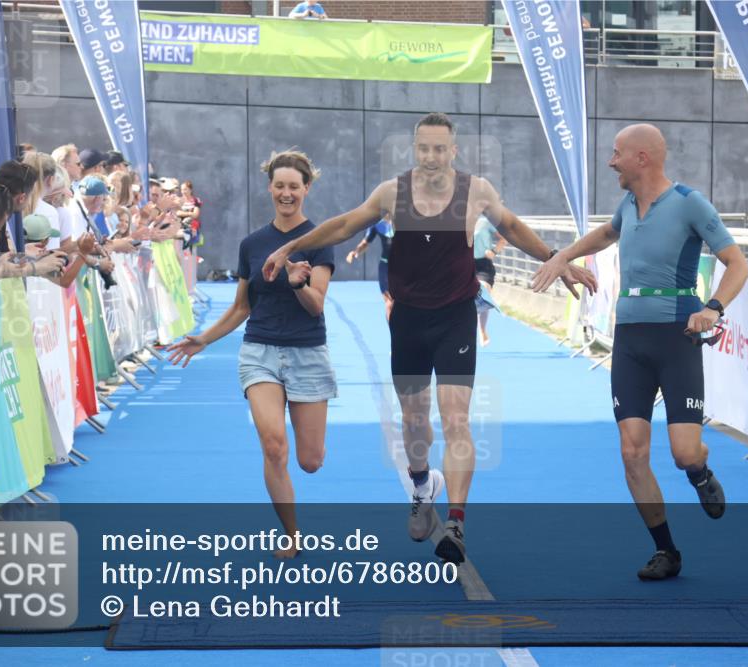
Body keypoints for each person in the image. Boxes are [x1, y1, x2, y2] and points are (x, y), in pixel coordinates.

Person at [263, 113, 597, 564]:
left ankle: (456, 523)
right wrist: (289, 247)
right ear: (414, 150)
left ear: (453, 151)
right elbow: (345, 224)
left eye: (440, 149)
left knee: (456, 419)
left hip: (456, 316)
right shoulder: (393, 192)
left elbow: (512, 227)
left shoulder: (475, 190)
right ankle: (423, 486)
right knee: (415, 421)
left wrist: (557, 259)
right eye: (424, 148)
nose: (432, 157)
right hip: (409, 321)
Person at [532, 123, 748, 580]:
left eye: (617, 154)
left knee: (684, 452)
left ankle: (701, 474)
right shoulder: (627, 204)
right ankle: (666, 550)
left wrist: (713, 307)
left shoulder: (690, 202)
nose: (611, 162)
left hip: (677, 336)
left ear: (642, 158)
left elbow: (738, 264)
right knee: (632, 452)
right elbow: (606, 235)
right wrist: (562, 256)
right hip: (630, 341)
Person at [168, 150, 336, 560]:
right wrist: (203, 339)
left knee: (310, 461)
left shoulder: (319, 242)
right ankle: (292, 536)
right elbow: (242, 307)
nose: (286, 193)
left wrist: (298, 282)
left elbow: (317, 305)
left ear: (306, 189)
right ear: (270, 188)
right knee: (273, 445)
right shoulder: (253, 244)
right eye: (279, 185)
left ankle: (304, 475)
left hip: (307, 353)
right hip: (260, 351)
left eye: (294, 186)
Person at [345, 214, 394, 320]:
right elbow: (365, 242)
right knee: (389, 303)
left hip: (402, 268)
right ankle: (394, 333)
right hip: (385, 266)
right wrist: (355, 252)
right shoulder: (378, 224)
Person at [472, 213, 505, 346]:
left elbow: (503, 239)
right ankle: (467, 330)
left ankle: (482, 329)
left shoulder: (486, 222)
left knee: (483, 291)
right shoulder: (458, 223)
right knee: (466, 300)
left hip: (483, 265)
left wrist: (494, 251)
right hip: (465, 264)